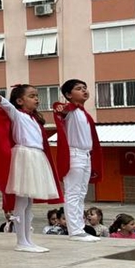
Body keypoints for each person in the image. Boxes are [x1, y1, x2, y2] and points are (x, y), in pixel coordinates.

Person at [0, 86, 57, 254]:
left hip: (36, 156)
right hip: (24, 156)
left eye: (37, 96)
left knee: (28, 203)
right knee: (21, 201)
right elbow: (8, 107)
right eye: (32, 96)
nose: (37, 99)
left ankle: (28, 239)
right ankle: (21, 240)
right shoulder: (18, 115)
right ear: (20, 101)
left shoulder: (34, 119)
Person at [53, 80, 103, 242]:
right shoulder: (70, 111)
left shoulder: (83, 113)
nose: (84, 91)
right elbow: (59, 109)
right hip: (74, 155)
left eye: (84, 88)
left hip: (86, 155)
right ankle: (74, 231)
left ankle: (79, 228)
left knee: (81, 194)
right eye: (78, 89)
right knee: (73, 193)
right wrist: (67, 105)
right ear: (68, 95)